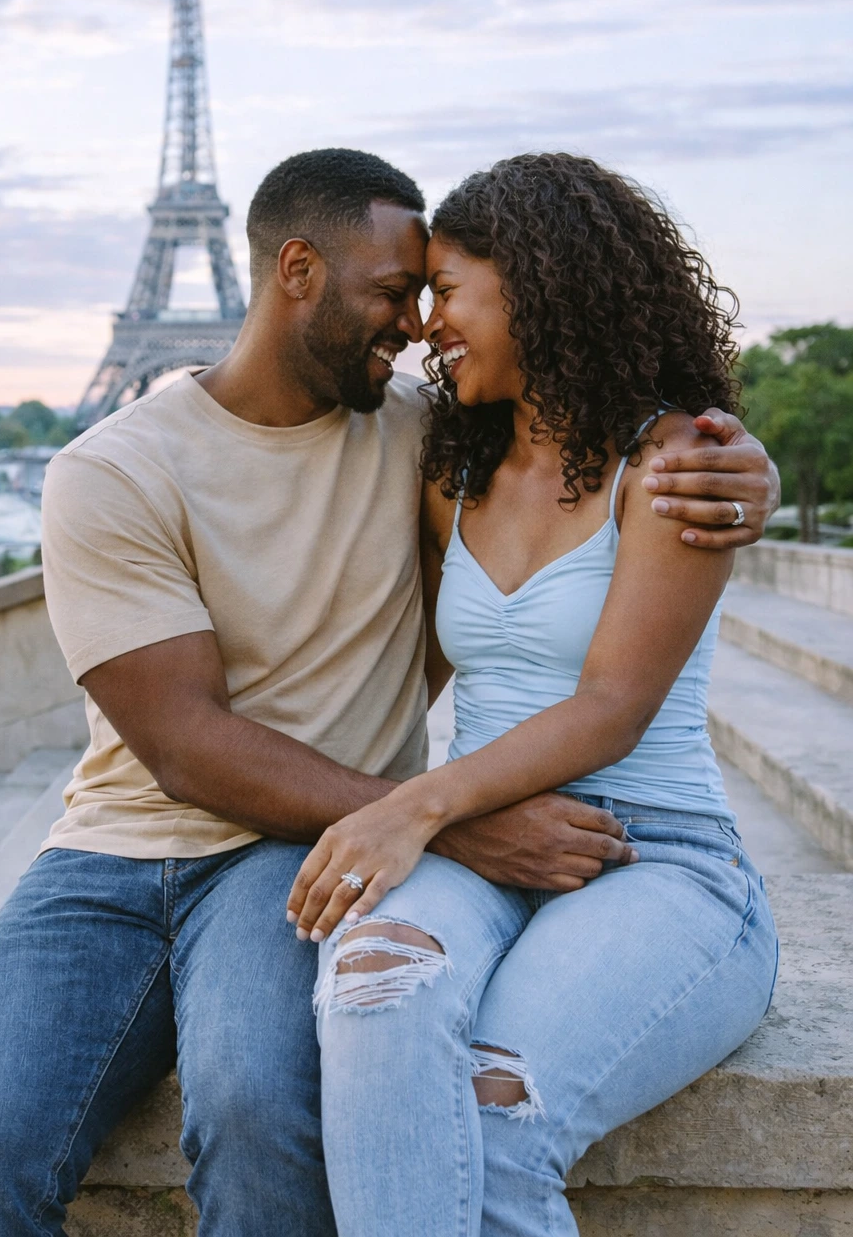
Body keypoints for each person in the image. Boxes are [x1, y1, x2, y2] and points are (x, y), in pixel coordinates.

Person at [0, 149, 778, 1237]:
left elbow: (610, 501)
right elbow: (183, 744)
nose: (417, 323)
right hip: (128, 846)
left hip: (328, 848)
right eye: (396, 292)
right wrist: (445, 820)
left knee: (266, 1111)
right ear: (299, 270)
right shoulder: (119, 469)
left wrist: (746, 471)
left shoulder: (422, 429)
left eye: (437, 292)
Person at [289, 152, 779, 1237]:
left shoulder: (672, 467)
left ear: (538, 286)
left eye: (449, 289)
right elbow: (401, 665)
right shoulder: (448, 464)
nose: (425, 323)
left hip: (655, 858)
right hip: (484, 838)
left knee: (495, 1115)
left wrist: (412, 805)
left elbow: (613, 706)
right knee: (372, 992)